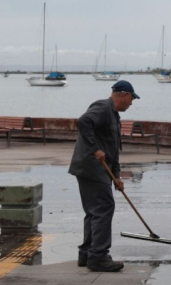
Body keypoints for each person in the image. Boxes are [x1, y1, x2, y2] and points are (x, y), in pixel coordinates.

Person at [68, 80, 139, 272]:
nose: (131, 103)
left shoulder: (114, 116)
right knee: (103, 208)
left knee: (94, 211)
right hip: (92, 169)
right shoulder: (103, 107)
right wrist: (94, 148)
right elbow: (83, 122)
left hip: (96, 170)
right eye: (132, 98)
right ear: (124, 95)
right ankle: (98, 256)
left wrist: (116, 176)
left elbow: (113, 149)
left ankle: (86, 254)